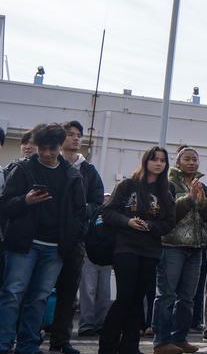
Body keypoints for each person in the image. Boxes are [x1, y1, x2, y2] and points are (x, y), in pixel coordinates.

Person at [0, 123, 87, 354]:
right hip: (22, 245)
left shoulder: (72, 175)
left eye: (52, 148)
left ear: (60, 147)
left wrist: (70, 238)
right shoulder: (22, 169)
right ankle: (3, 343)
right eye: (42, 148)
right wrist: (25, 201)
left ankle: (28, 345)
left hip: (55, 248)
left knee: (39, 297)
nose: (46, 153)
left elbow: (80, 212)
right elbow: (4, 205)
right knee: (12, 293)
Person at [98, 147, 177, 354]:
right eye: (154, 159)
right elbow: (107, 212)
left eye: (162, 160)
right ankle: (107, 346)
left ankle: (130, 346)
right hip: (126, 248)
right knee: (125, 296)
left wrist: (150, 227)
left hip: (150, 251)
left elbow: (169, 222)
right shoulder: (127, 185)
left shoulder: (166, 190)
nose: (158, 163)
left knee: (137, 299)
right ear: (145, 161)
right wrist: (128, 222)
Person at [48, 120, 104, 354]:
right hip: (48, 238)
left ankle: (61, 340)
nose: (75, 138)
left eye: (78, 135)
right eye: (70, 134)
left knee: (69, 292)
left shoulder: (89, 169)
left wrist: (81, 216)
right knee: (37, 290)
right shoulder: (51, 164)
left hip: (75, 240)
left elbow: (97, 200)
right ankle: (27, 336)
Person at [153, 146, 207, 354]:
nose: (192, 163)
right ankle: (161, 341)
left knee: (187, 298)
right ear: (178, 163)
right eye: (187, 159)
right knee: (166, 295)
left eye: (195, 160)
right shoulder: (168, 185)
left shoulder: (203, 186)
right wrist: (190, 199)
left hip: (196, 248)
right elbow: (169, 213)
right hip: (172, 246)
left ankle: (179, 338)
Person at [78, 192, 113, 337]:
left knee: (103, 294)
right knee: (89, 292)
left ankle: (100, 324)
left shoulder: (113, 215)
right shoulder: (94, 213)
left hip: (105, 258)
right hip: (91, 256)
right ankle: (87, 325)